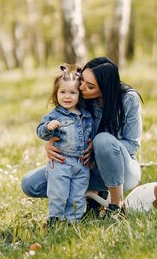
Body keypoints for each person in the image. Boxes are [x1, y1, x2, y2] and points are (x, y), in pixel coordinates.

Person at [22, 57, 142, 214]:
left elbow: (133, 145)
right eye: (83, 80)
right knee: (30, 184)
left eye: (90, 86)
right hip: (83, 167)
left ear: (105, 88)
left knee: (102, 140)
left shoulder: (128, 99)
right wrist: (51, 141)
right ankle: (91, 197)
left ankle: (115, 206)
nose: (82, 87)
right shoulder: (81, 96)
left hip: (123, 172)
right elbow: (62, 122)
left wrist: (98, 148)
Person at [36, 65, 93, 224]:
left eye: (72, 92)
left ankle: (71, 222)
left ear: (79, 95)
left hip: (82, 164)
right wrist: (48, 128)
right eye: (62, 92)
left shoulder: (86, 115)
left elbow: (90, 136)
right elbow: (40, 131)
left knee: (77, 195)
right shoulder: (54, 115)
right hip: (61, 162)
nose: (67, 96)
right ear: (56, 94)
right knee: (58, 194)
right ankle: (55, 220)